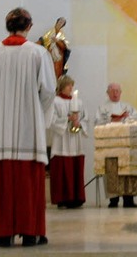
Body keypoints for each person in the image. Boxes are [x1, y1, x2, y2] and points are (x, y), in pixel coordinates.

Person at [0, 7, 56, 247]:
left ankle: (2, 234)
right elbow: (49, 91)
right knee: (29, 186)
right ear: (29, 27)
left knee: (1, 185)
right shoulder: (37, 53)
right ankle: (31, 233)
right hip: (28, 133)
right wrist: (35, 114)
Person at [95, 82, 137, 208]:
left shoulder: (127, 106)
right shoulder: (102, 108)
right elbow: (97, 123)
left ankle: (129, 199)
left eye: (117, 91)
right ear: (108, 93)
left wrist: (126, 118)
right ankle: (113, 199)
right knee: (111, 169)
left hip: (126, 144)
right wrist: (110, 120)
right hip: (110, 144)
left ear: (121, 93)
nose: (115, 93)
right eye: (112, 91)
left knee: (127, 169)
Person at [49, 75, 89, 209]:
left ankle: (76, 198)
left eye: (72, 85)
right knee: (62, 168)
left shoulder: (79, 102)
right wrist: (67, 119)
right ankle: (62, 198)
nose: (71, 88)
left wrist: (79, 122)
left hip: (75, 139)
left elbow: (86, 117)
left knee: (75, 167)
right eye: (68, 85)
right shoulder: (55, 101)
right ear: (61, 87)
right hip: (61, 140)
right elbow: (51, 119)